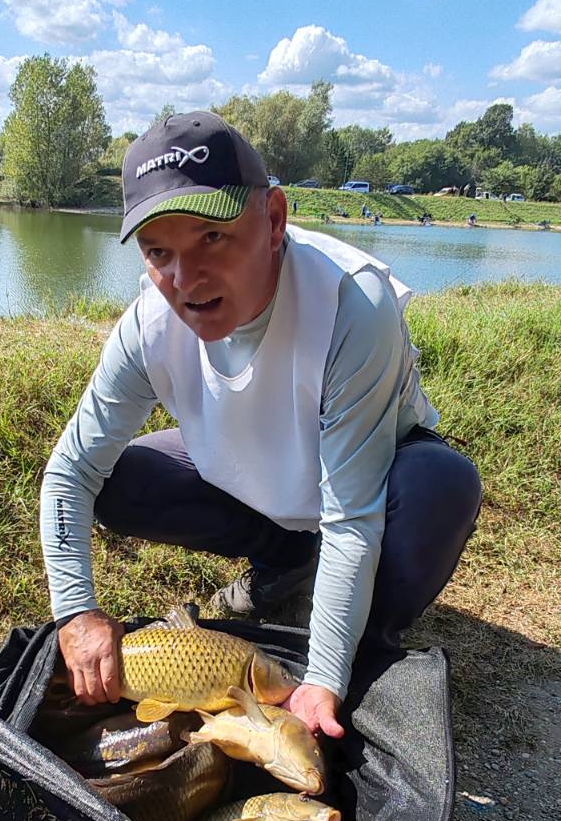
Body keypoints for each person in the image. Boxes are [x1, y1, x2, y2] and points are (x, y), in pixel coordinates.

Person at [41, 111, 481, 741]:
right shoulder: (147, 325)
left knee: (442, 481)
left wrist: (325, 675)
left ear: (274, 219)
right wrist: (76, 613)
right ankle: (285, 564)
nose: (185, 282)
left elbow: (353, 514)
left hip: (372, 478)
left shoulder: (350, 303)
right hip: (259, 477)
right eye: (159, 252)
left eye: (212, 238)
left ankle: (367, 645)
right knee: (120, 478)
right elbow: (71, 471)